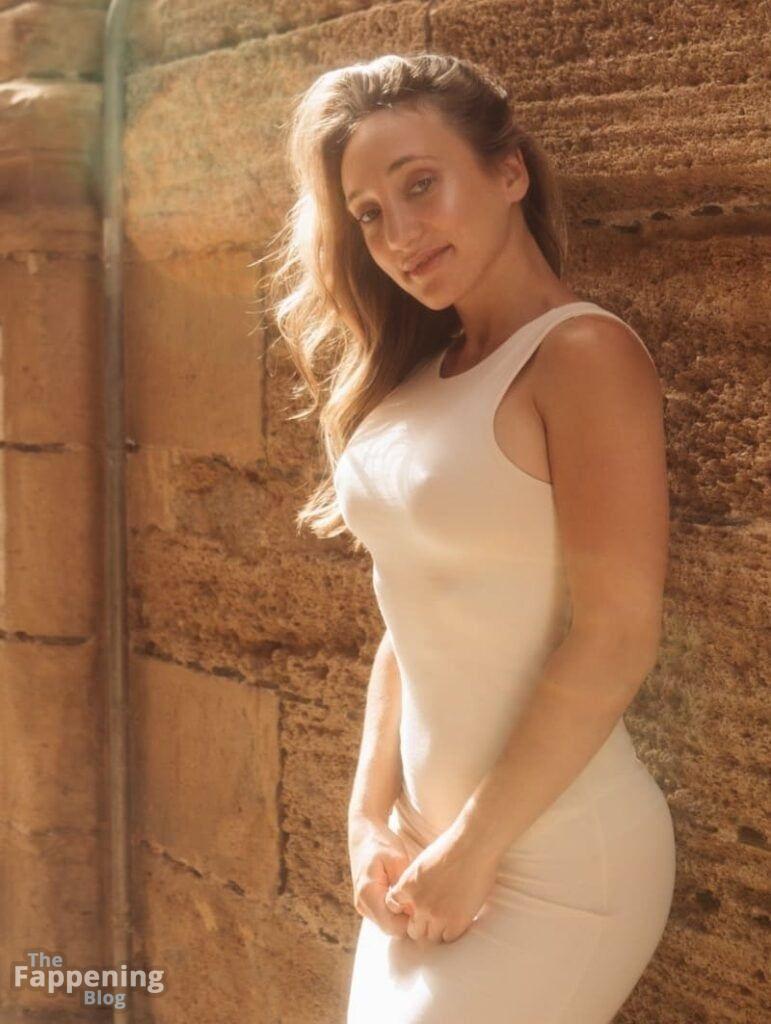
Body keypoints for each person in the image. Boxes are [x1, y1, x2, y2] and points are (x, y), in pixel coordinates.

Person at [263, 51, 676, 1024]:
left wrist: (473, 849)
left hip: (556, 865)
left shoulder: (582, 355)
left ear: (509, 171)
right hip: (419, 858)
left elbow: (617, 632)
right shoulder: (415, 377)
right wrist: (368, 820)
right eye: (369, 213)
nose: (398, 235)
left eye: (420, 185)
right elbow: (409, 617)